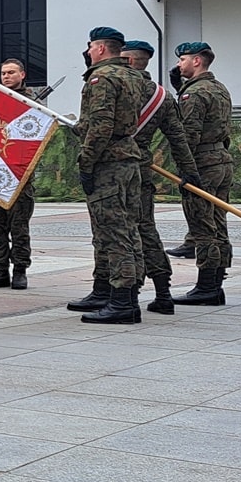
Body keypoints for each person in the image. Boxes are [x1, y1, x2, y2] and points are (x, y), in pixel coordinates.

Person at [71, 27, 153, 325]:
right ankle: (124, 294)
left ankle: (122, 302)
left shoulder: (102, 78)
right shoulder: (133, 76)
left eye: (91, 46)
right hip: (129, 158)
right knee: (128, 229)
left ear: (102, 48)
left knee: (113, 232)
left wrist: (86, 161)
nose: (88, 51)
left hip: (108, 162)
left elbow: (101, 125)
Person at [115, 41, 202, 315]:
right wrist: (189, 172)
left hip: (114, 170)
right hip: (142, 169)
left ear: (129, 61)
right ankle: (163, 291)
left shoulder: (116, 86)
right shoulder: (161, 96)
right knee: (146, 229)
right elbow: (178, 138)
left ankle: (118, 293)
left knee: (114, 232)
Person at [174, 42, 235, 306]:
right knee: (218, 223)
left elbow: (188, 135)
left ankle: (206, 286)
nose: (179, 64)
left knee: (203, 227)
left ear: (197, 61)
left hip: (202, 164)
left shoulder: (195, 93)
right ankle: (216, 283)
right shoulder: (219, 88)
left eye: (183, 59)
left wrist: (186, 168)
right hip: (221, 159)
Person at [0, 59, 40, 290]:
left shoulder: (32, 103)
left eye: (11, 72)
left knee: (19, 227)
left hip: (19, 176)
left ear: (22, 74)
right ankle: (0, 269)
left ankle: (20, 270)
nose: (6, 76)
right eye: (3, 73)